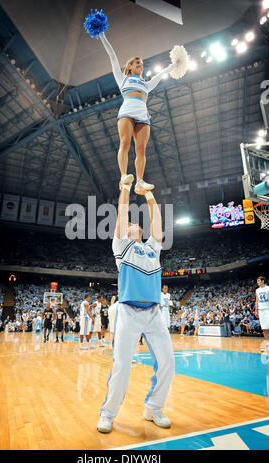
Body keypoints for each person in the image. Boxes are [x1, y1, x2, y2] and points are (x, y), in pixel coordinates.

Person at [97, 177, 175, 434]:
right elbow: (121, 216)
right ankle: (108, 413)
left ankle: (153, 408)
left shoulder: (153, 248)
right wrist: (126, 189)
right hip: (128, 311)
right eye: (130, 224)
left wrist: (149, 196)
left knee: (168, 362)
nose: (133, 225)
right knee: (121, 365)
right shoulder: (122, 246)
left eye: (135, 224)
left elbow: (158, 224)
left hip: (153, 312)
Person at [99, 32, 185, 195]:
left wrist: (176, 63)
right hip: (127, 112)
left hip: (143, 115)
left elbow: (162, 73)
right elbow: (112, 55)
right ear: (129, 66)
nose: (141, 65)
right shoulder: (122, 78)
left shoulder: (147, 84)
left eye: (142, 63)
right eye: (137, 63)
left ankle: (139, 182)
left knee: (141, 149)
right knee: (124, 143)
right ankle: (123, 176)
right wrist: (101, 34)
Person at [255, 276, 269, 352]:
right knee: (264, 329)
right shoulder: (257, 290)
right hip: (261, 310)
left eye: (258, 281)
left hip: (268, 309)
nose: (257, 282)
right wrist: (256, 310)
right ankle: (267, 346)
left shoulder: (268, 288)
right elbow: (257, 300)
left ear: (263, 281)